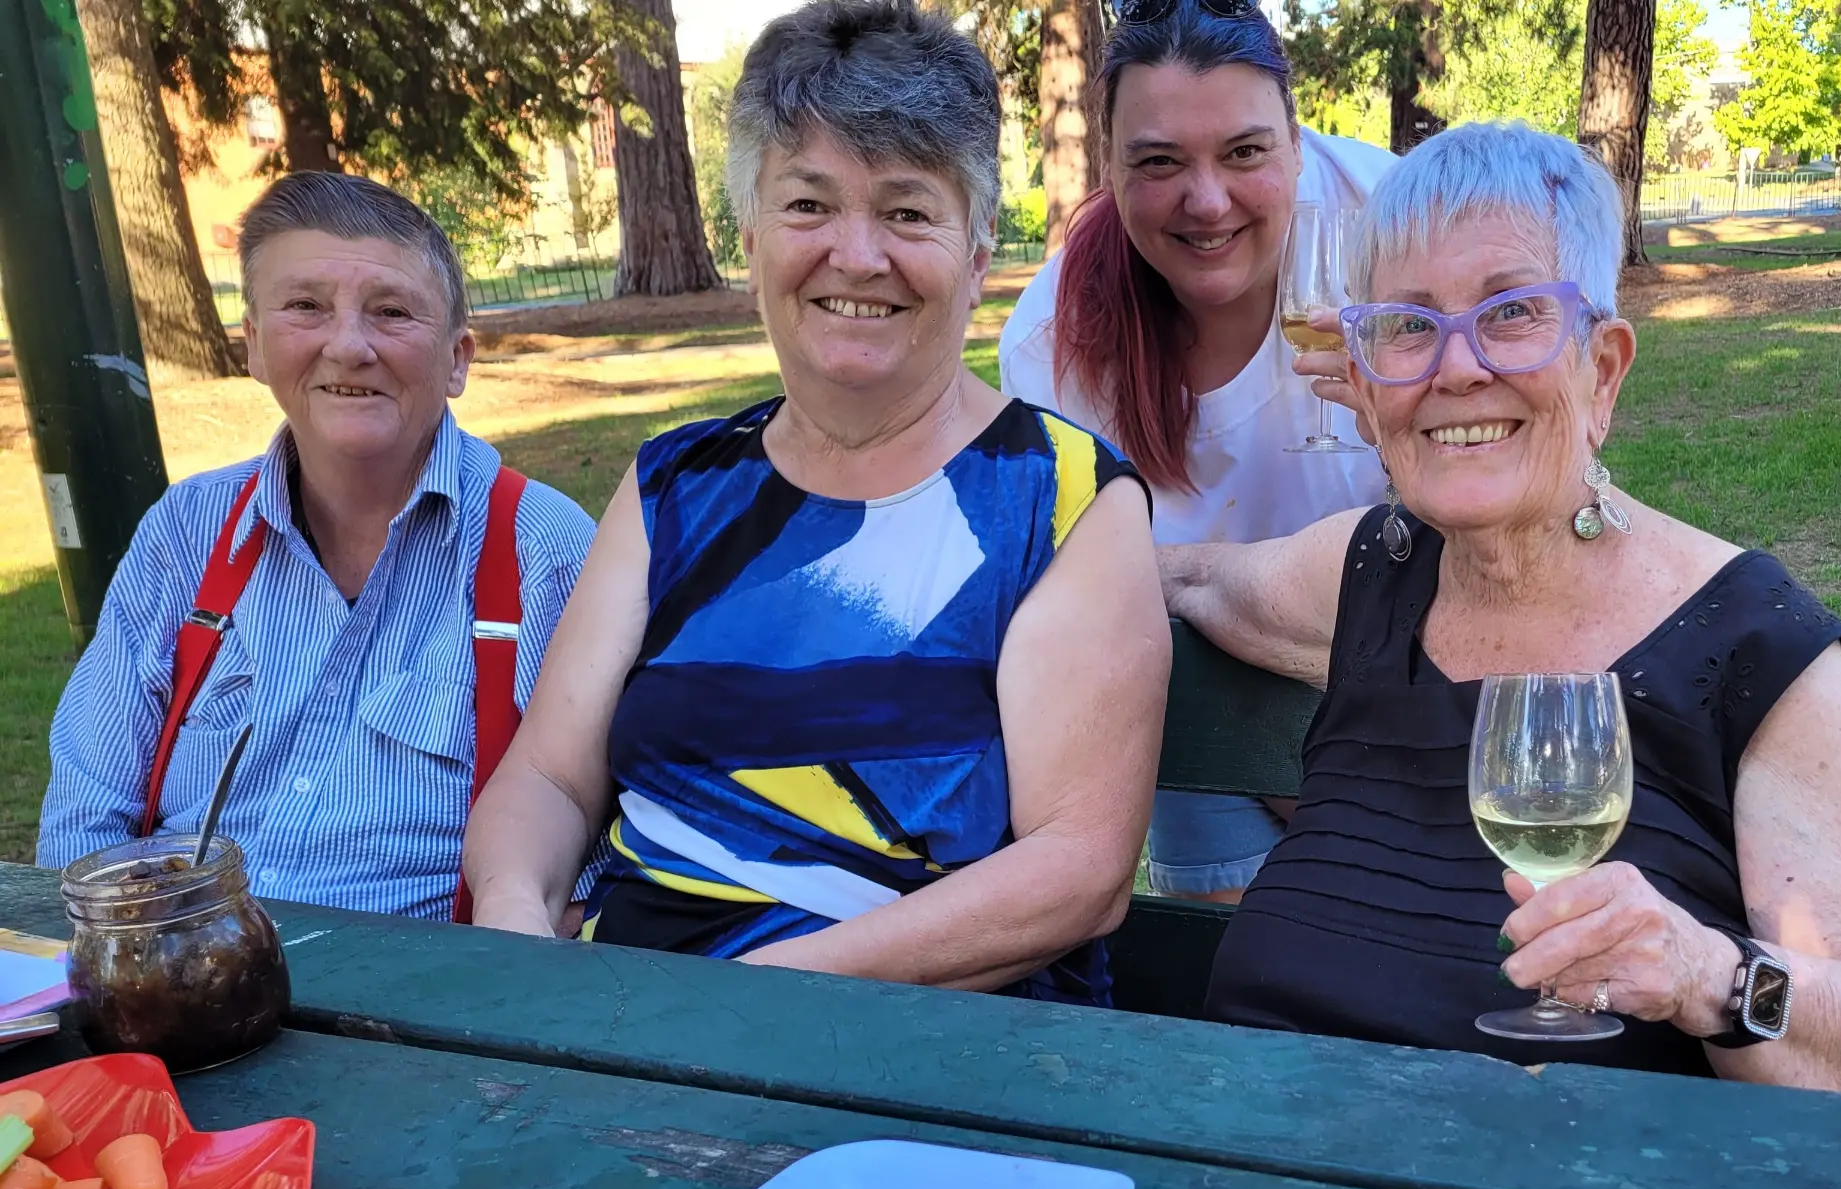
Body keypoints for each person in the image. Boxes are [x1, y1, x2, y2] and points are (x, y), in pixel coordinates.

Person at [1161, 124, 1841, 1099]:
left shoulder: (1744, 648)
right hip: (1241, 1188)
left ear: (1602, 368)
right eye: (1409, 326)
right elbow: (1181, 579)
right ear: (1364, 379)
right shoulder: (1365, 579)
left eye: (1511, 311)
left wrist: (1712, 977)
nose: (1456, 367)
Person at [461, 0, 1165, 1004]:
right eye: (809, 204)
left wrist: (741, 999)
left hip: (915, 1055)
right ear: (751, 236)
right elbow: (549, 781)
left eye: (908, 210)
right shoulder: (676, 485)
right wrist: (517, 923)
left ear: (975, 260)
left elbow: (1077, 873)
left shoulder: (1062, 500)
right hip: (623, 1033)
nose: (857, 253)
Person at [38, 172, 596, 921]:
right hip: (179, 979)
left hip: (418, 1008)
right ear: (254, 347)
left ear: (458, 358)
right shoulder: (186, 535)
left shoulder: (544, 552)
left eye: (391, 312)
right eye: (305, 307)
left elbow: (584, 852)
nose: (348, 345)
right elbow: (84, 817)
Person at [997, 0, 1390, 904]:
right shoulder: (1052, 340)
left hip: (1405, 693)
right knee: (1242, 993)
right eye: (1159, 161)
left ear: (1296, 141)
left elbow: (1498, 533)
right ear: (1110, 167)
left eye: (1245, 153)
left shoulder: (1393, 230)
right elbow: (1074, 609)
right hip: (1202, 702)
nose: (1206, 201)